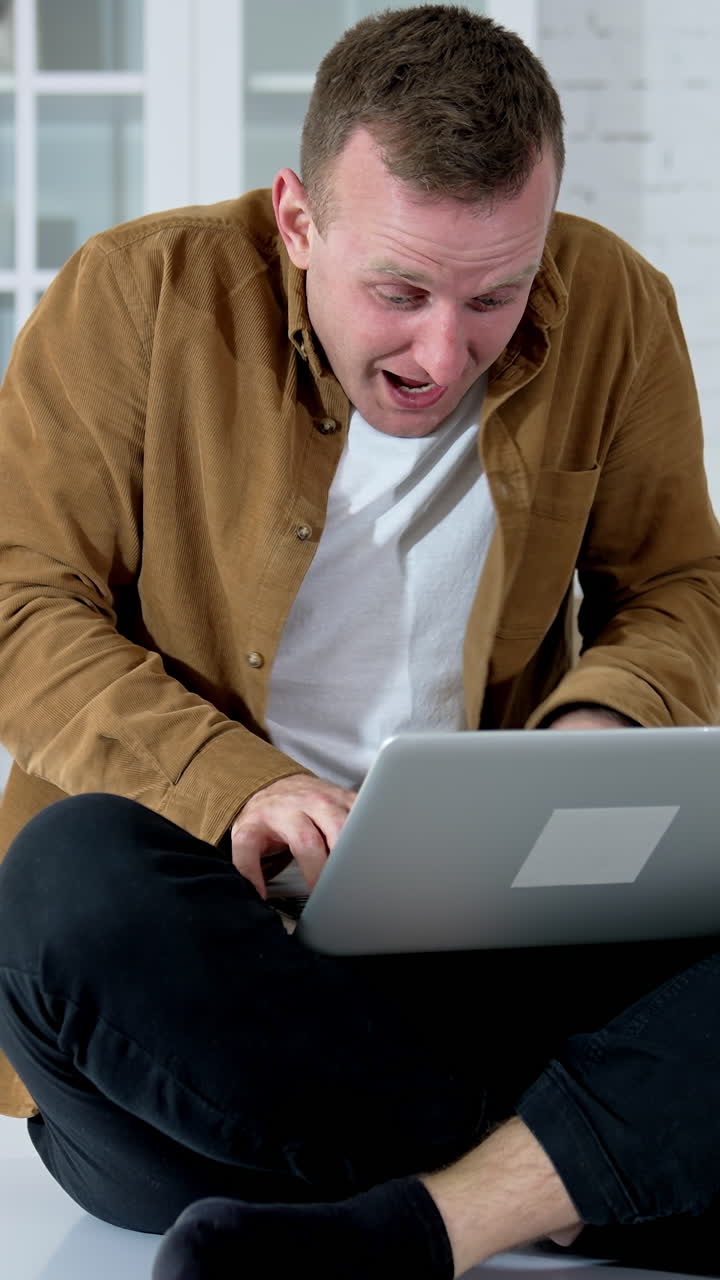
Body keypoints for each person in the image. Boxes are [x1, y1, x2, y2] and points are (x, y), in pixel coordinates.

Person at [0, 5, 719, 1278]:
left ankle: (428, 1222)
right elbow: (20, 605)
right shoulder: (135, 294)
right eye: (399, 290)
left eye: (497, 293)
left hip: (487, 958)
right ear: (296, 219)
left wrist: (596, 728)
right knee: (62, 882)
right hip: (212, 999)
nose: (444, 350)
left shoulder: (616, 304)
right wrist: (246, 789)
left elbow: (679, 584)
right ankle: (605, 1144)